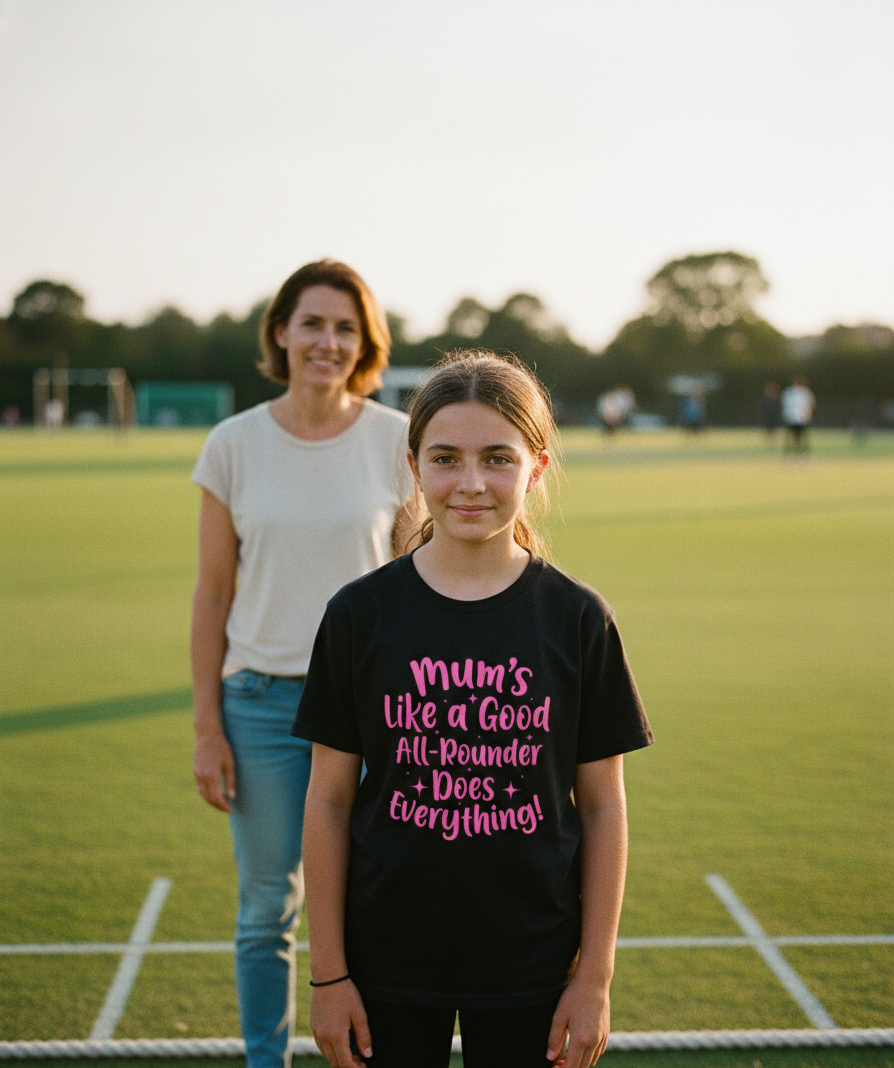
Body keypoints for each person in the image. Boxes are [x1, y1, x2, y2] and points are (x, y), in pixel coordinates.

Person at [293, 352, 653, 1068]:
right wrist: (329, 975)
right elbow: (330, 801)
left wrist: (594, 978)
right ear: (413, 465)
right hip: (385, 959)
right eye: (446, 458)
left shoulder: (578, 618)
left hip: (534, 965)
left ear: (537, 467)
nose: (470, 484)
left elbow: (604, 808)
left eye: (497, 458)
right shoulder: (359, 615)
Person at [190, 260, 417, 1068]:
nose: (328, 341)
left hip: (372, 715)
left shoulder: (398, 441)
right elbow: (213, 594)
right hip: (258, 707)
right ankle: (265, 1061)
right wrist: (208, 729)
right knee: (264, 910)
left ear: (365, 344)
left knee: (374, 905)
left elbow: (416, 585)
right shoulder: (233, 444)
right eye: (312, 324)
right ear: (280, 331)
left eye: (345, 328)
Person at [781, 376, 816, 453]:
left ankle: (803, 451)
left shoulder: (806, 393)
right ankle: (788, 451)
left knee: (803, 436)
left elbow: (811, 404)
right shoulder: (789, 392)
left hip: (803, 417)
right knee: (790, 435)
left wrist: (809, 415)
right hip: (791, 417)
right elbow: (785, 404)